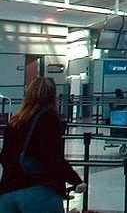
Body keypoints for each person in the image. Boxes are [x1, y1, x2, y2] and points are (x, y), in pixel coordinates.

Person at [0, 77, 87, 213]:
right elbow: (52, 158)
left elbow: (4, 157)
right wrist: (75, 180)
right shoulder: (48, 117)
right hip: (37, 190)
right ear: (52, 95)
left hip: (8, 191)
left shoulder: (15, 121)